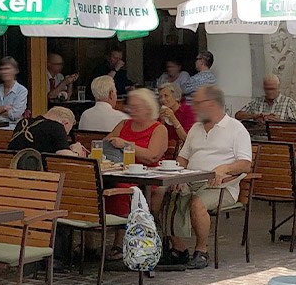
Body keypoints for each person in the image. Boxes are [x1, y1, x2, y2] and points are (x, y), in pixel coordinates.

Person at [168, 85, 253, 269]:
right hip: (191, 180)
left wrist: (226, 167)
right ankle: (179, 249)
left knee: (197, 203)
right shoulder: (196, 129)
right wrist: (176, 175)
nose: (194, 108)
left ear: (212, 104)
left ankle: (202, 251)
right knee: (160, 196)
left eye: (198, 104)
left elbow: (246, 164)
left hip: (221, 186)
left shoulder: (236, 129)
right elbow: (183, 157)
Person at [105, 88, 169, 167]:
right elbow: (104, 145)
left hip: (148, 174)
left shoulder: (159, 129)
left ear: (148, 108)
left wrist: (125, 145)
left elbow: (152, 157)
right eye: (130, 107)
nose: (132, 111)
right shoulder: (123, 124)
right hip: (121, 172)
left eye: (136, 107)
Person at [9, 106, 88, 157]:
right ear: (65, 123)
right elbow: (65, 158)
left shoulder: (23, 122)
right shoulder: (56, 127)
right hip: (37, 175)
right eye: (66, 133)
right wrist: (77, 152)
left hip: (13, 171)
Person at [0, 57, 28, 122]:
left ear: (15, 71)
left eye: (7, 69)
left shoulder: (21, 91)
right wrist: (4, 108)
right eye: (1, 69)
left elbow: (15, 115)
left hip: (12, 129)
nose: (4, 72)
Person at [159, 84, 194, 156]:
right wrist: (162, 122)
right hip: (167, 153)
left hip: (184, 153)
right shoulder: (161, 113)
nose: (162, 99)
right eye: (160, 97)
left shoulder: (188, 111)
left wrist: (173, 118)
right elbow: (158, 139)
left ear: (176, 97)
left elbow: (186, 138)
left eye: (166, 96)